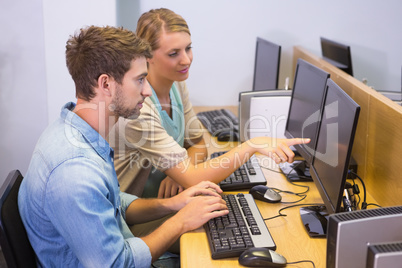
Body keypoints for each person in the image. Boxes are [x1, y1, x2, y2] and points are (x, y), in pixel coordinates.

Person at [18, 25, 228, 268]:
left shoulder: (74, 129)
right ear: (106, 84)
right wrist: (180, 220)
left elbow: (111, 203)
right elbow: (118, 264)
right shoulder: (74, 171)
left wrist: (172, 204)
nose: (147, 91)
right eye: (140, 80)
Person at [110, 7, 309, 199]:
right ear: (148, 57)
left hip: (167, 198)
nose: (186, 60)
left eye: (188, 48)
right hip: (134, 214)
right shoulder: (139, 109)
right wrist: (251, 146)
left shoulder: (176, 86)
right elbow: (193, 177)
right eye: (174, 53)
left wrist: (179, 173)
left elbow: (197, 144)